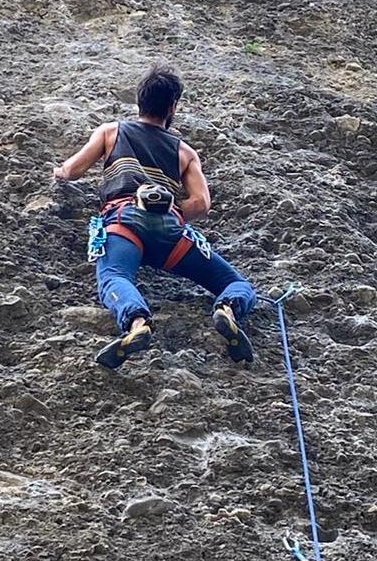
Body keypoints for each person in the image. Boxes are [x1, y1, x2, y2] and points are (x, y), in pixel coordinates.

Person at [53, 66, 256, 370]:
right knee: (235, 283)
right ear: (172, 107)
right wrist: (170, 211)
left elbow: (72, 172)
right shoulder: (185, 152)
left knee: (115, 277)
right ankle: (227, 308)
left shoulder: (112, 131)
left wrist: (57, 172)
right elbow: (201, 203)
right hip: (172, 234)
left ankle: (136, 323)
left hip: (124, 223)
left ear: (139, 102)